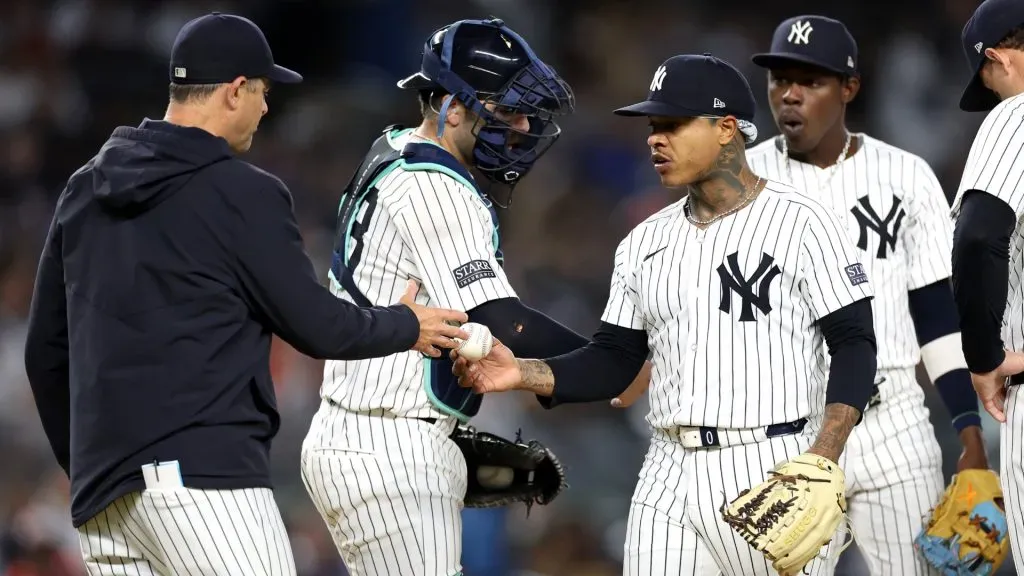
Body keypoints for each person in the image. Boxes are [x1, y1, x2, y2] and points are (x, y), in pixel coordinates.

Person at [22, 12, 468, 576]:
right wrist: (408, 323)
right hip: (203, 485)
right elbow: (317, 326)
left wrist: (92, 467)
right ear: (235, 91)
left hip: (105, 501)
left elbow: (45, 352)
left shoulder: (85, 189)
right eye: (261, 91)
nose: (265, 106)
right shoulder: (241, 191)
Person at [454, 52, 878, 576]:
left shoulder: (805, 222)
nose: (655, 138)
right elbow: (613, 360)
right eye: (653, 126)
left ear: (727, 130)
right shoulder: (642, 242)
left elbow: (856, 342)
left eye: (673, 125)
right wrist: (524, 373)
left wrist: (824, 455)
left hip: (774, 460)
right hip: (667, 470)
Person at [297, 17, 649, 576]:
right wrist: (613, 362)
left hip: (363, 431)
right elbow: (503, 322)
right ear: (449, 107)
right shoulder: (436, 186)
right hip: (389, 445)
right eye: (506, 109)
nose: (523, 125)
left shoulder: (392, 148)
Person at [742, 15, 990, 574]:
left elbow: (934, 314)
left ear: (849, 88)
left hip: (894, 420)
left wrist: (968, 431)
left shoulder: (906, 175)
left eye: (811, 81)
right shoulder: (744, 181)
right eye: (781, 79)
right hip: (789, 423)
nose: (791, 95)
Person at [950, 0, 1024, 568]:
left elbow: (978, 239)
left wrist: (984, 361)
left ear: (999, 58)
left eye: (990, 82)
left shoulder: (1015, 115)